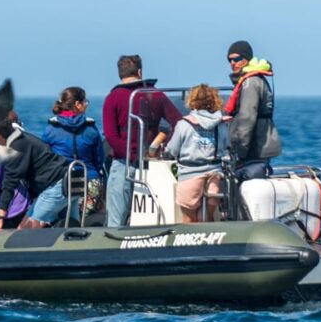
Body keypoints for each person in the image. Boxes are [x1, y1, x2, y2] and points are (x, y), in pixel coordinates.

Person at [102, 55, 182, 227]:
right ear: (140, 71)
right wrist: (163, 145)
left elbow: (110, 136)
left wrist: (131, 155)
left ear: (119, 74)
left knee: (116, 221)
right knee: (153, 218)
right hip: (152, 163)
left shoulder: (112, 98)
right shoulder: (155, 94)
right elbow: (178, 122)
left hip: (124, 164)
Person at [0, 115, 75, 230]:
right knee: (72, 228)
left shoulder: (16, 147)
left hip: (57, 185)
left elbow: (9, 182)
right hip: (69, 180)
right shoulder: (22, 138)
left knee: (24, 232)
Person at [164, 84, 229, 223]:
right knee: (207, 218)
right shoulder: (221, 124)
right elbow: (225, 146)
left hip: (190, 174)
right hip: (214, 175)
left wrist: (165, 151)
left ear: (192, 101)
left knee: (189, 219)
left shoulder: (184, 124)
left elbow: (173, 149)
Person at [42, 87, 105, 217]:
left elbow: (44, 159)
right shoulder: (91, 129)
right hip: (90, 183)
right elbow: (99, 159)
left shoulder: (50, 129)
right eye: (85, 102)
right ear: (77, 104)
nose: (86, 105)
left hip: (62, 184)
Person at [224, 40, 281, 181]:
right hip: (259, 148)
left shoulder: (250, 83)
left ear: (246, 59)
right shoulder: (256, 79)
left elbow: (247, 117)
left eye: (237, 59)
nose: (233, 63)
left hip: (253, 150)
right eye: (230, 60)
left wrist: (240, 151)